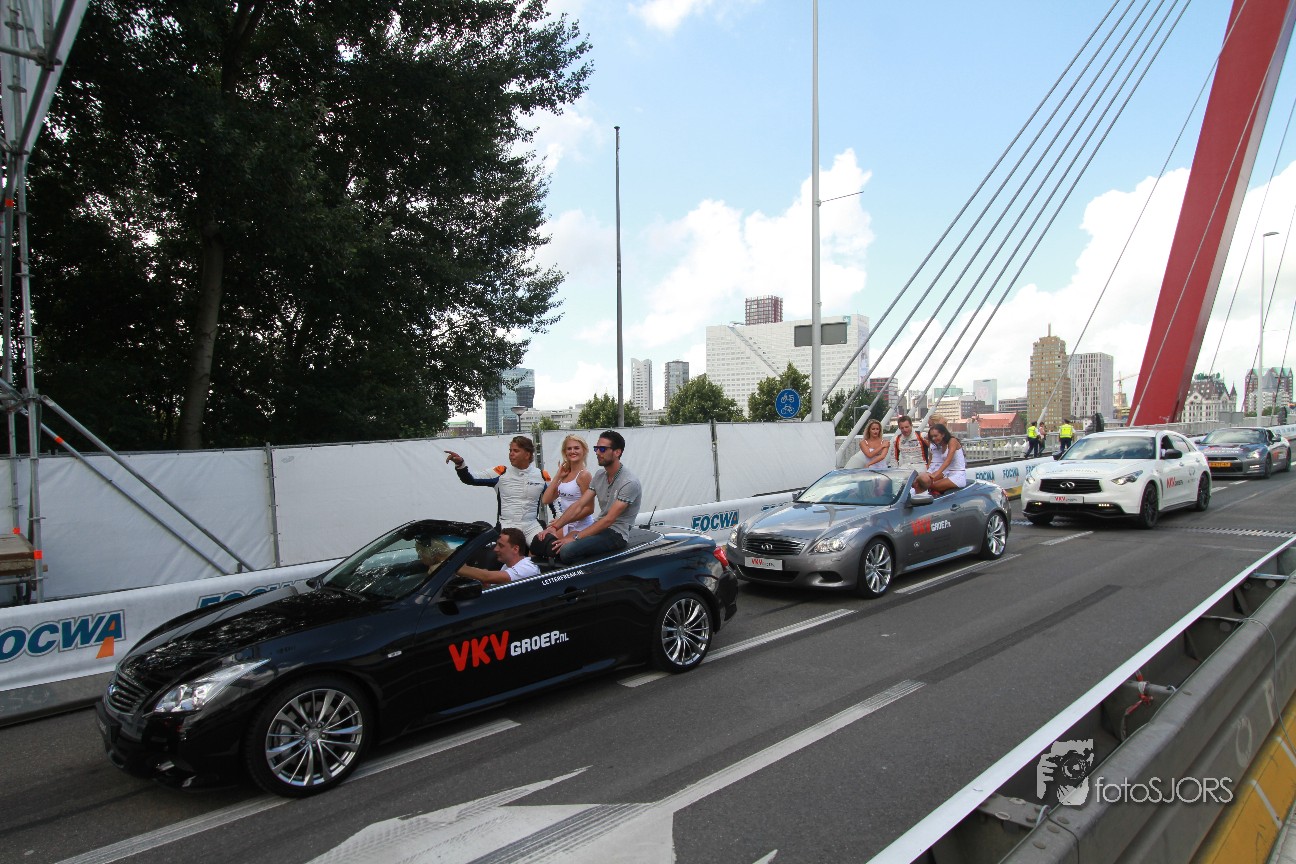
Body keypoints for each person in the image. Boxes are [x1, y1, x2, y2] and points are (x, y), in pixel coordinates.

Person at [542, 429, 642, 564]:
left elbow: (609, 520)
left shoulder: (629, 482)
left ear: (617, 452)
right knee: (547, 546)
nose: (598, 453)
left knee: (566, 551)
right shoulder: (600, 475)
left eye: (602, 449)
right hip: (599, 526)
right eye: (596, 448)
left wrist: (575, 537)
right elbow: (579, 504)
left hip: (616, 534)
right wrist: (554, 527)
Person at [445, 436, 550, 543]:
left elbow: (555, 502)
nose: (511, 454)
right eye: (510, 450)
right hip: (507, 527)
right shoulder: (501, 472)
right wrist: (460, 464)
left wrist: (555, 526)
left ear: (527, 455)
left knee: (550, 546)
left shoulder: (542, 475)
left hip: (531, 527)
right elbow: (470, 479)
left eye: (516, 451)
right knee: (493, 549)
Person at [542, 434, 595, 537]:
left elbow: (589, 509)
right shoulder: (565, 474)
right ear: (565, 452)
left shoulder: (584, 475)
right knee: (540, 541)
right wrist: (558, 476)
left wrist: (561, 521)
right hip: (566, 524)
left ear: (584, 450)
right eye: (569, 448)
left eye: (576, 448)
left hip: (581, 526)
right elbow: (546, 500)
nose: (572, 451)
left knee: (552, 544)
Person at [457, 528, 539, 585]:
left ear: (515, 549)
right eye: (496, 544)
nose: (495, 549)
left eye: (501, 545)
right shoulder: (506, 566)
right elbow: (489, 583)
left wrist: (456, 567)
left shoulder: (527, 567)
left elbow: (487, 577)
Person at [914, 423, 967, 495]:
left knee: (928, 485)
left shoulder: (952, 441)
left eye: (936, 436)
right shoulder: (941, 444)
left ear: (943, 434)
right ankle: (915, 497)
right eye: (932, 436)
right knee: (921, 483)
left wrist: (935, 474)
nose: (933, 438)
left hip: (958, 475)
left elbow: (948, 461)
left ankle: (919, 499)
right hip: (948, 473)